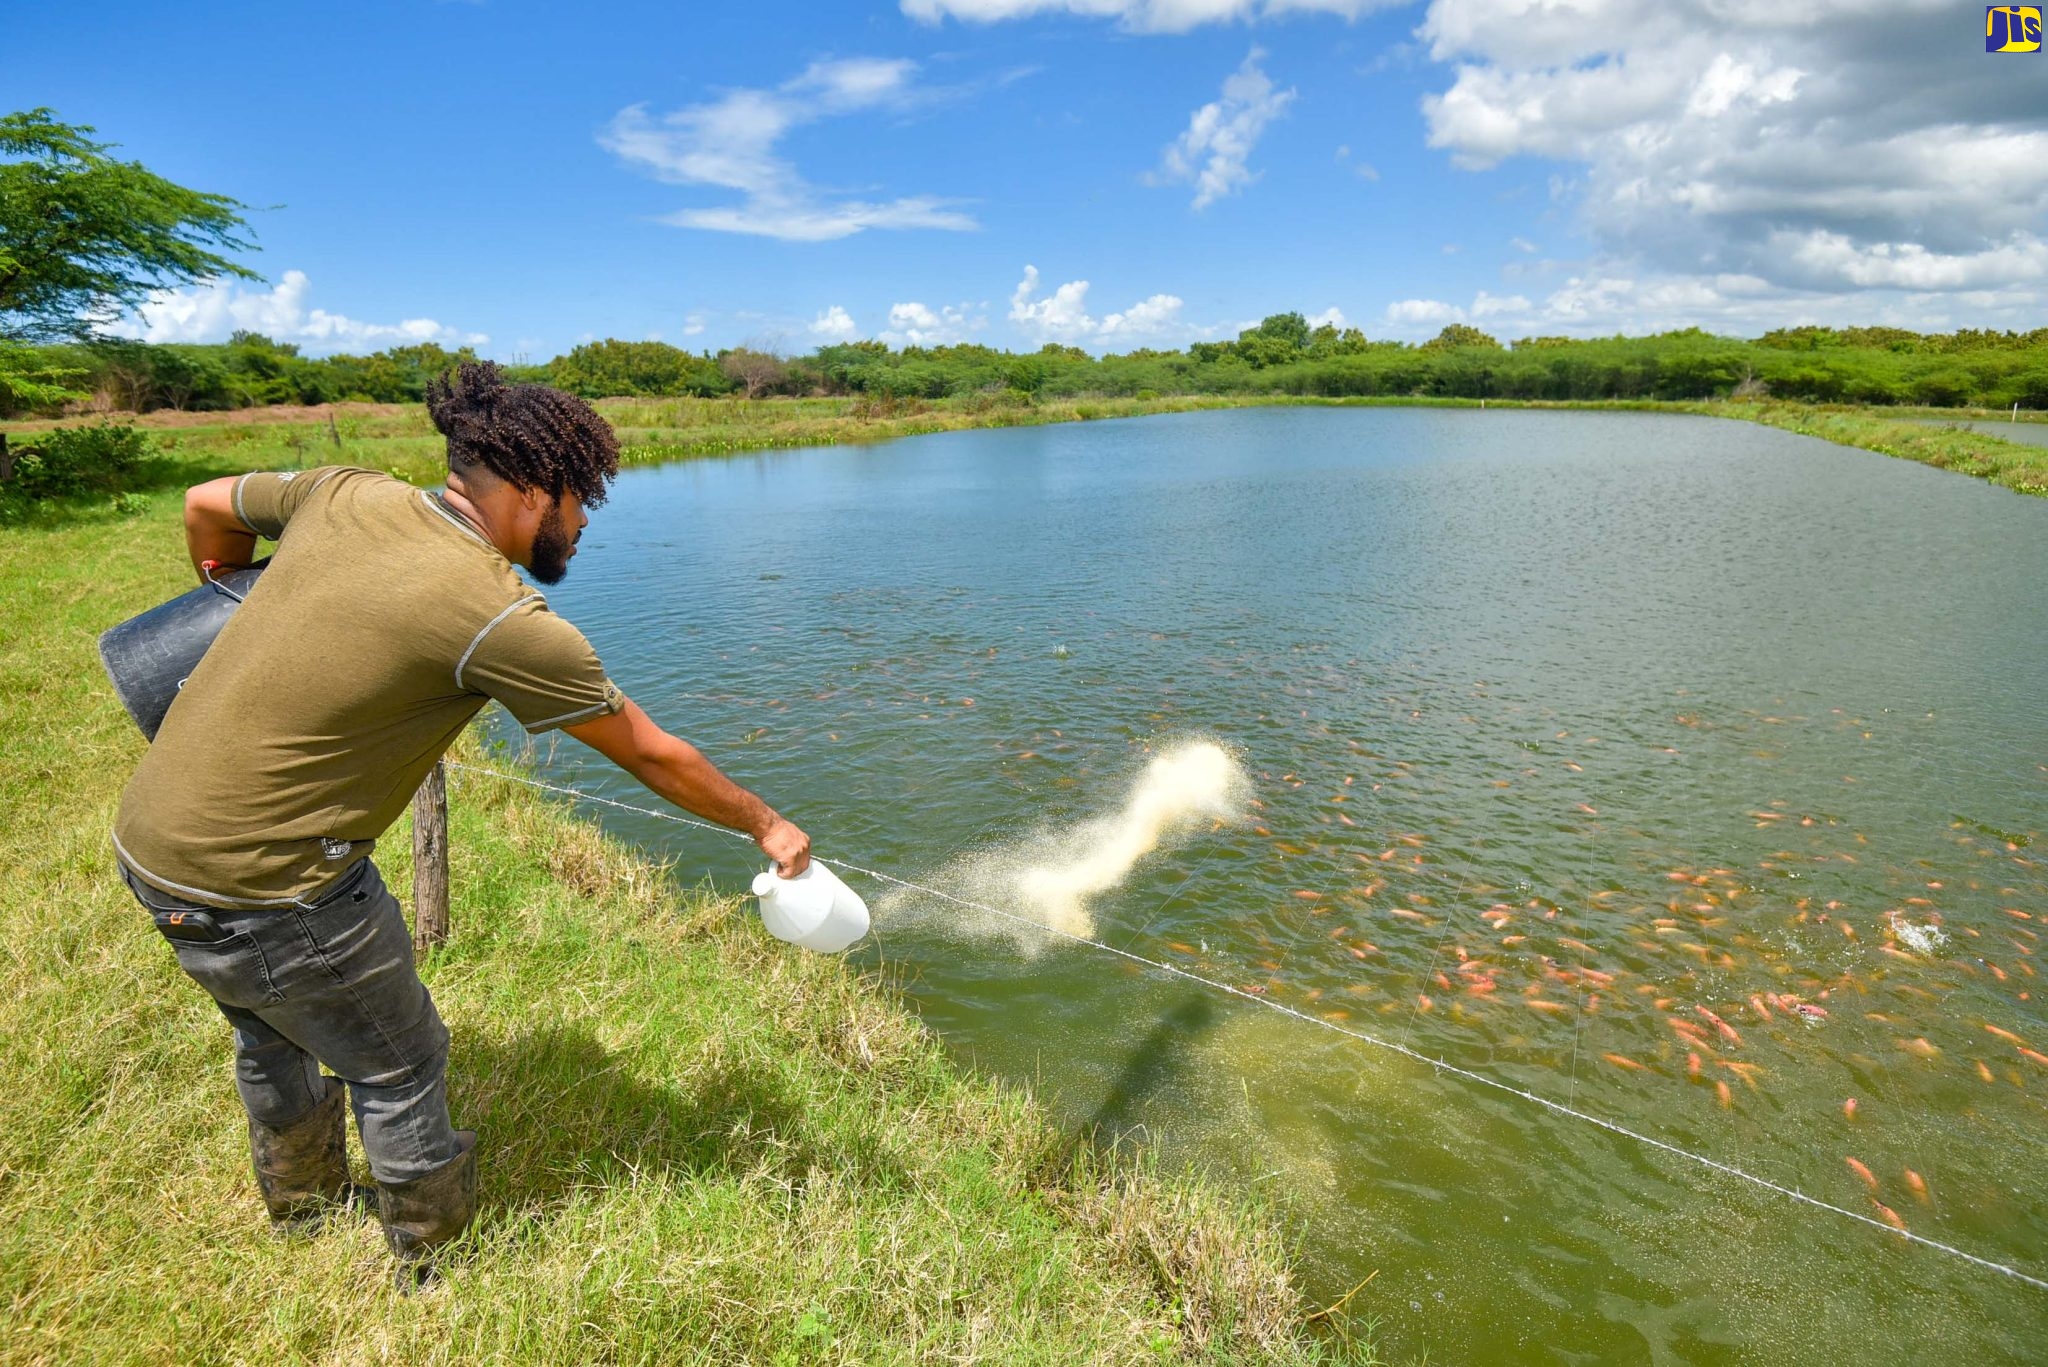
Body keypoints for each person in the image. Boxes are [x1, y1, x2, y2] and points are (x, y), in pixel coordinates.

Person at [111, 362, 809, 1288]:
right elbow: (650, 752)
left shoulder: (343, 490)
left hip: (152, 841)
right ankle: (435, 1270)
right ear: (528, 491)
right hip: (271, 882)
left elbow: (208, 503)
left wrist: (228, 590)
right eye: (579, 496)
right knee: (400, 1063)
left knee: (270, 1028)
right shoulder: (501, 618)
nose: (586, 519)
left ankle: (303, 1211)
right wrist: (768, 826)